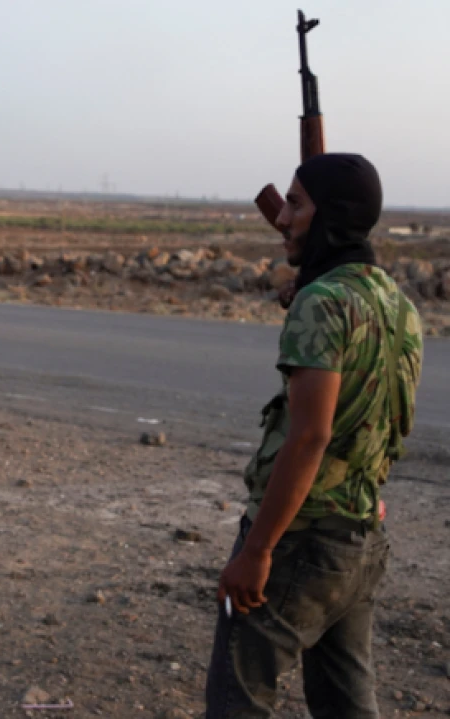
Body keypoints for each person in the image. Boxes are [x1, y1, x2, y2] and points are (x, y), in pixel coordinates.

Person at [205, 153, 423, 718]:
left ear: (332, 217)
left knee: (238, 700)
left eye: (297, 204)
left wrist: (257, 551)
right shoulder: (398, 305)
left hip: (298, 537)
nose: (282, 218)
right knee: (348, 706)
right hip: (360, 538)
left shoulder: (321, 303)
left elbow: (309, 437)